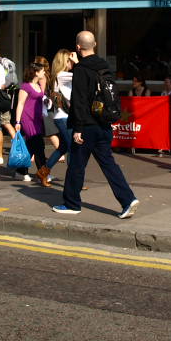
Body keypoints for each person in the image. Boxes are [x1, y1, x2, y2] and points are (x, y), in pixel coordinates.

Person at [52, 31, 139, 218]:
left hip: (86, 126)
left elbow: (79, 100)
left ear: (77, 47)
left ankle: (72, 204)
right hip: (104, 123)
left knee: (76, 165)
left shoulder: (81, 70)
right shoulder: (104, 66)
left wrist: (78, 128)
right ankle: (128, 199)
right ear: (95, 44)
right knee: (109, 165)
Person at [40, 49, 76, 185]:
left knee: (63, 147)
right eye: (70, 60)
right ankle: (73, 182)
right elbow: (82, 75)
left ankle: (43, 172)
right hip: (64, 117)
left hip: (62, 116)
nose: (72, 63)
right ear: (64, 61)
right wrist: (79, 62)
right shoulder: (62, 75)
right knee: (72, 148)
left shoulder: (59, 76)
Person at [14, 62, 49, 185]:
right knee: (38, 145)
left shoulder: (38, 85)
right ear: (36, 72)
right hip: (27, 118)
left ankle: (20, 171)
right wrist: (17, 121)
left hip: (37, 119)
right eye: (42, 70)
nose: (44, 72)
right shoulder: (26, 86)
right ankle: (42, 174)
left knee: (31, 146)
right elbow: (20, 104)